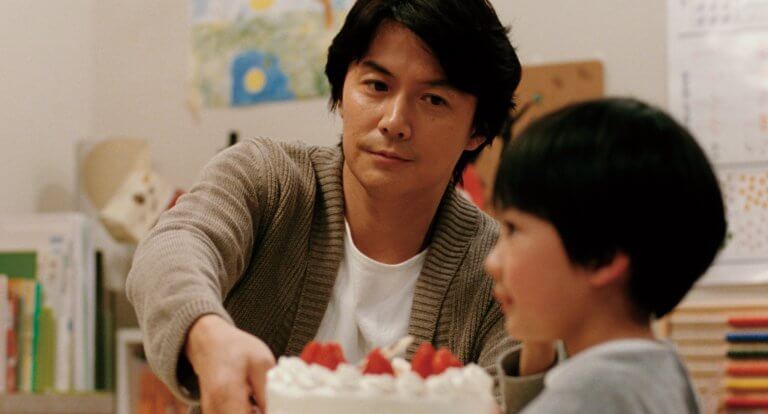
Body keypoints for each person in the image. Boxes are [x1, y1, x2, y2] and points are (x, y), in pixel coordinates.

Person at [127, 1, 550, 413]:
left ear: (477, 129)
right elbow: (175, 247)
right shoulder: (267, 180)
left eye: (434, 100)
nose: (394, 122)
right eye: (377, 86)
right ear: (342, 92)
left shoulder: (499, 266)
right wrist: (208, 336)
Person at [485, 97, 727, 413]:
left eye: (513, 229)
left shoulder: (586, 400)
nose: (491, 263)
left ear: (602, 257)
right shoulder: (662, 372)